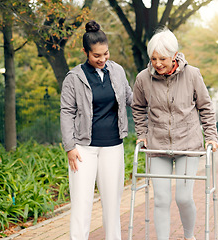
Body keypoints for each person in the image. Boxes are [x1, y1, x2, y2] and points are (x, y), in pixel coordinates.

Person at [131, 28, 218, 240]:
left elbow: (205, 107)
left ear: (174, 55)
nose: (158, 63)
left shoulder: (192, 74)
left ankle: (189, 236)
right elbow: (137, 107)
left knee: (183, 197)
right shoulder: (143, 78)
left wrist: (211, 136)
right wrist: (142, 133)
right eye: (153, 58)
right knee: (161, 198)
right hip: (157, 145)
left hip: (187, 144)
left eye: (162, 58)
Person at [60, 20, 133, 240]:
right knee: (82, 203)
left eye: (105, 54)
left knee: (112, 203)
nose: (102, 59)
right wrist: (70, 147)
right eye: (96, 56)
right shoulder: (74, 78)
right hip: (83, 149)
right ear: (85, 52)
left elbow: (131, 98)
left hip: (113, 146)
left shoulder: (117, 71)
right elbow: (66, 112)